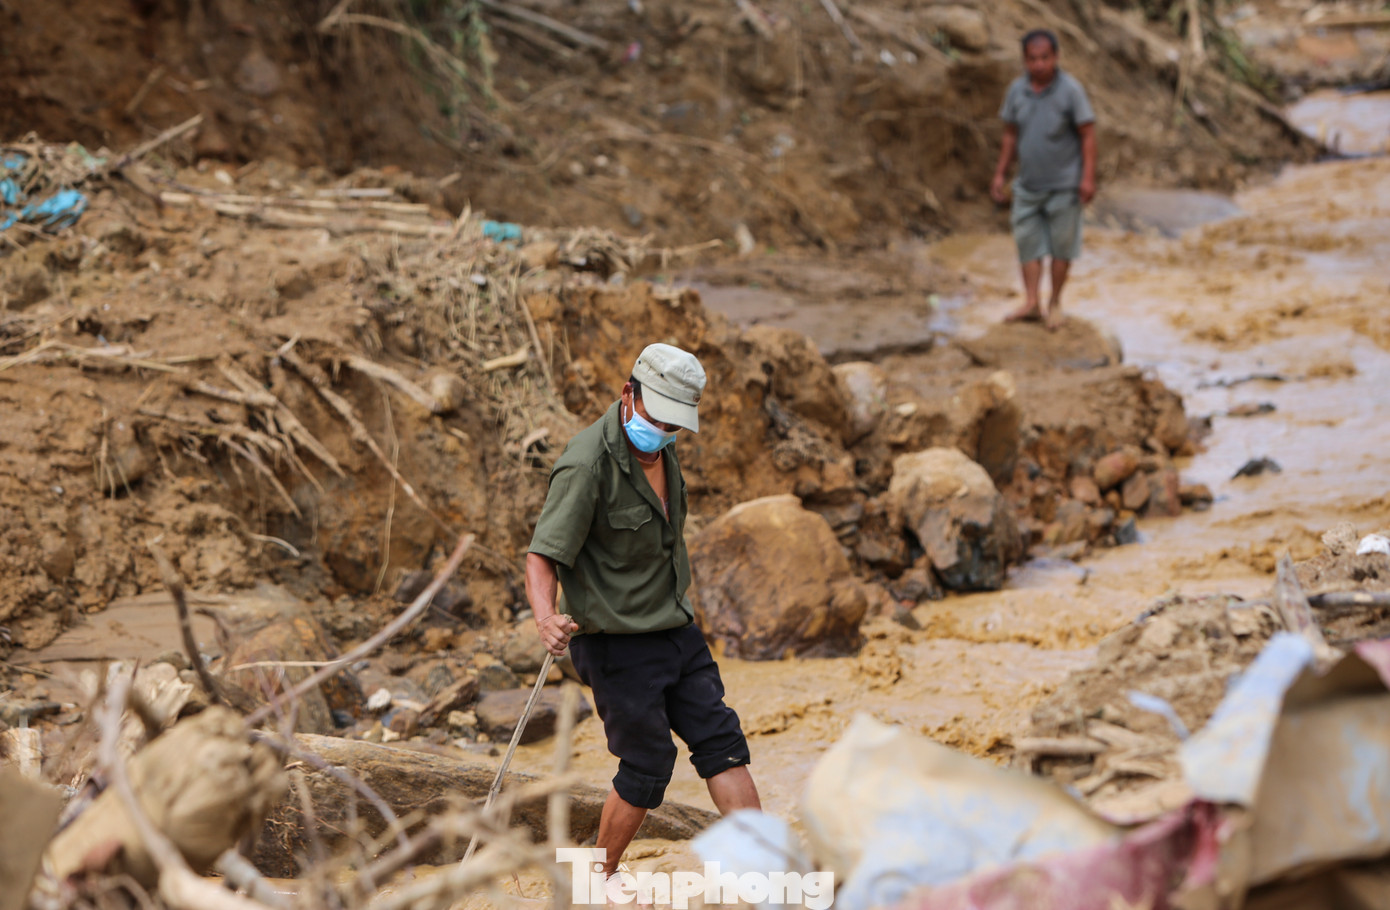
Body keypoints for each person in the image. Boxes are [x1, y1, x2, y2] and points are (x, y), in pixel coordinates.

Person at [525, 342, 761, 888]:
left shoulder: (664, 449)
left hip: (675, 628)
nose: (663, 432)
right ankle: (597, 879)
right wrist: (545, 617)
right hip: (617, 643)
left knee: (722, 743)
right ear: (628, 393)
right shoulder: (586, 464)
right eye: (657, 420)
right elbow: (543, 555)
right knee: (647, 763)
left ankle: (767, 868)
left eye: (674, 425)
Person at [990, 28, 1097, 331]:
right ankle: (1031, 302)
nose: (1039, 64)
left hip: (1065, 185)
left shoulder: (1071, 91)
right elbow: (1010, 135)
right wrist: (1000, 173)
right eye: (1032, 59)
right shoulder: (1017, 91)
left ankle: (1055, 303)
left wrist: (1088, 178)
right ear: (1025, 60)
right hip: (1027, 184)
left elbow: (1088, 135)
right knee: (1028, 244)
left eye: (1044, 58)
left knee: (1062, 248)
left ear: (1056, 57)